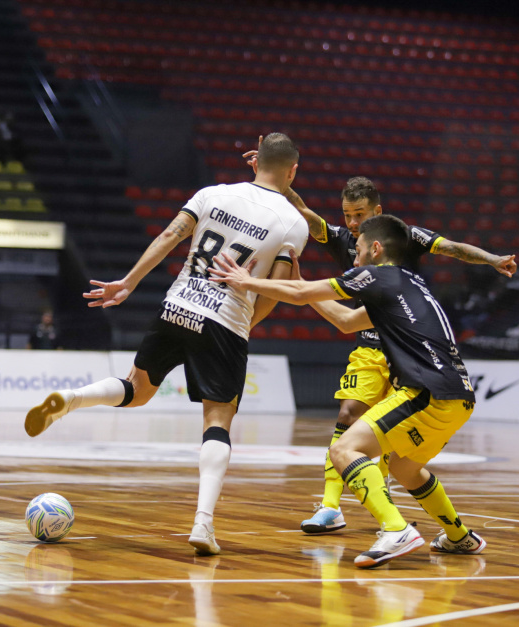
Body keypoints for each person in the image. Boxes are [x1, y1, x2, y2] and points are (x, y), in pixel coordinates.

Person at [24, 133, 309, 555]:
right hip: (225, 321)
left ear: (256, 161)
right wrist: (246, 321)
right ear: (292, 171)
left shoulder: (211, 193)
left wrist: (128, 282)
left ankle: (71, 398)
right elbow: (275, 288)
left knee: (136, 390)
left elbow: (169, 237)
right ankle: (203, 524)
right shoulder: (293, 222)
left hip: (177, 303)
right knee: (218, 418)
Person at [242, 147, 516, 535]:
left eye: (360, 216)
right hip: (372, 338)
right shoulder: (342, 239)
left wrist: (491, 258)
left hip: (410, 342)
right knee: (349, 415)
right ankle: (332, 506)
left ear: (377, 213)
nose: (352, 225)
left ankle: (402, 518)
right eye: (347, 216)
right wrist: (270, 175)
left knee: (392, 444)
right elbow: (305, 214)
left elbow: (452, 248)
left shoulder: (402, 236)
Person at [209, 214, 485, 568]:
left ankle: (395, 529)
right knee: (405, 467)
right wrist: (302, 284)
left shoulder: (378, 276)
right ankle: (461, 538)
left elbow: (301, 295)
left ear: (376, 248)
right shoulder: (409, 285)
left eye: (357, 250)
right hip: (458, 396)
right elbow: (345, 321)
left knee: (344, 450)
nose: (353, 260)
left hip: (425, 389)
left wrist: (247, 281)